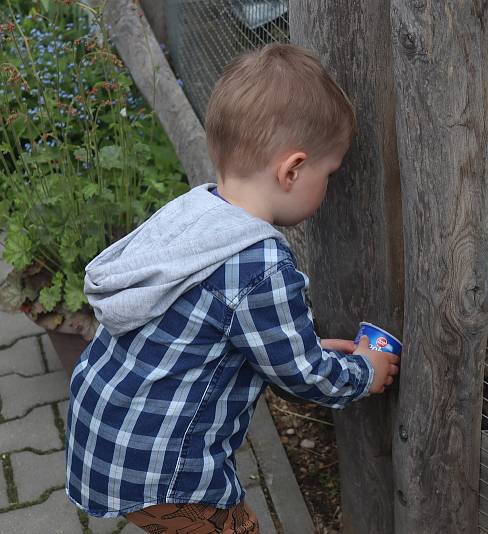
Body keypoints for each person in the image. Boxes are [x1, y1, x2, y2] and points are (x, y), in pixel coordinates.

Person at [65, 43, 400, 534]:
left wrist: (304, 346)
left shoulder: (198, 214)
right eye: (330, 175)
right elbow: (302, 377)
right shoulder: (260, 261)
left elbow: (229, 332)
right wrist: (363, 372)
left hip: (108, 430)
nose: (330, 188)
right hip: (162, 469)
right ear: (292, 170)